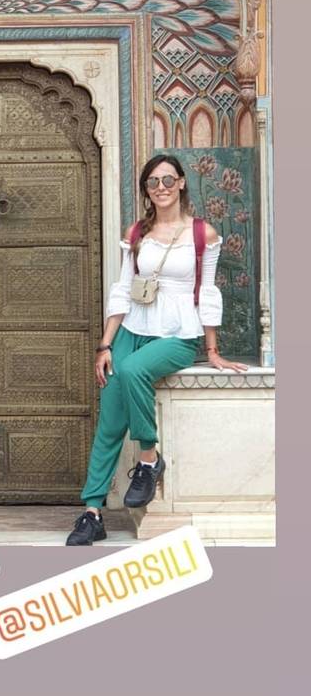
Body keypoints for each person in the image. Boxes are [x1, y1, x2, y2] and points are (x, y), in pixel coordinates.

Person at [65, 154, 247, 545]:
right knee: (110, 420)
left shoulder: (203, 233)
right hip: (132, 328)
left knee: (133, 372)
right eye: (152, 183)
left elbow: (209, 292)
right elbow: (122, 290)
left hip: (177, 335)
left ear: (182, 182)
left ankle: (149, 459)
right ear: (146, 190)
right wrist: (105, 345)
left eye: (167, 180)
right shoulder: (137, 233)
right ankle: (91, 512)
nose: (160, 188)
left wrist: (212, 349)